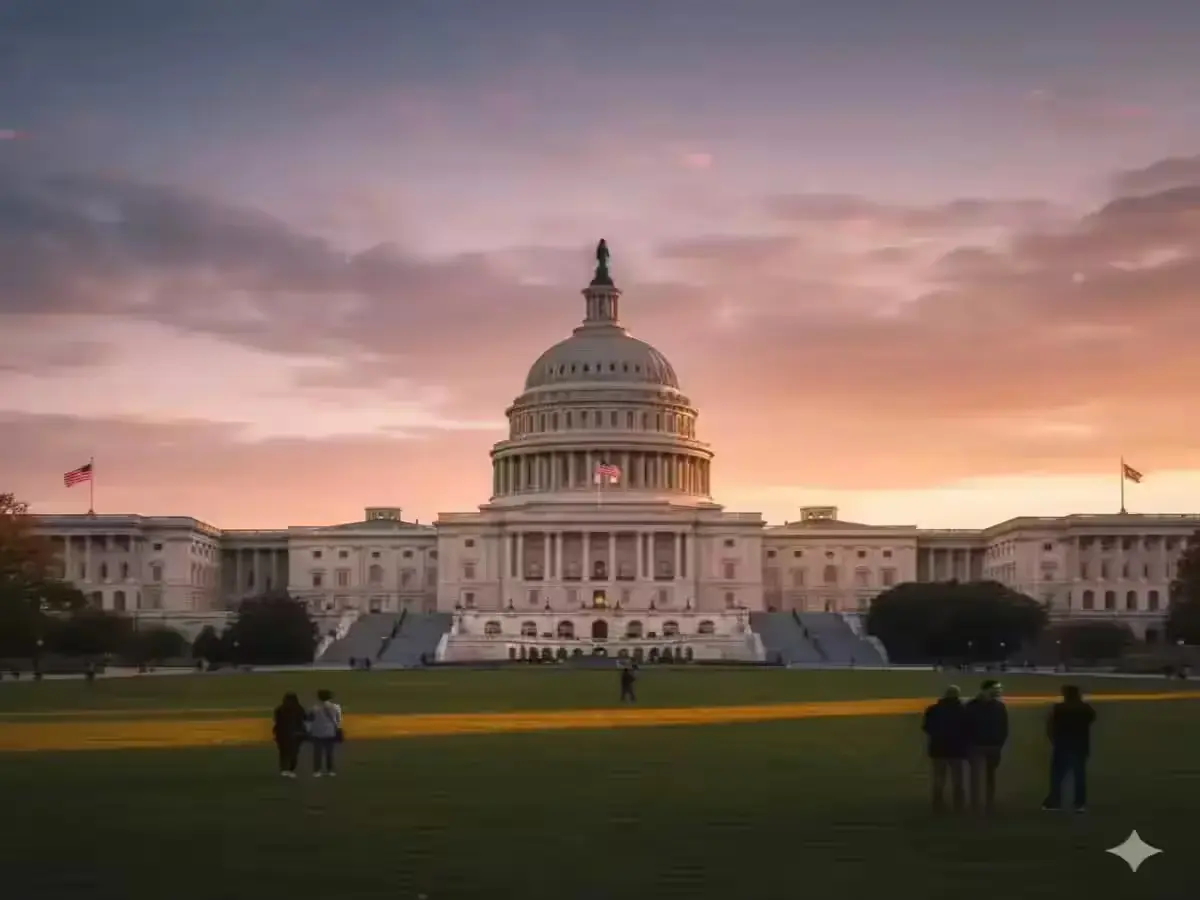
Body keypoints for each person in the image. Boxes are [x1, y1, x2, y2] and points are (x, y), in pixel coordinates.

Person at [1042, 685, 1096, 812]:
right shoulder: (1085, 708)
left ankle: (1055, 801)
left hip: (1062, 745)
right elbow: (1091, 718)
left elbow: (1050, 724)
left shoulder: (1059, 708)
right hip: (1080, 745)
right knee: (1079, 776)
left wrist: (1053, 739)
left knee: (1057, 775)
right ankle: (1079, 803)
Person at [922, 686, 970, 812]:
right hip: (957, 749)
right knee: (958, 778)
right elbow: (969, 729)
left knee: (939, 777)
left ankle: (937, 803)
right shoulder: (963, 710)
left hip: (938, 748)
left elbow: (927, 727)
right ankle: (959, 805)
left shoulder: (933, 709)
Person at [965, 679, 1008, 812]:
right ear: (986, 689)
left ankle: (987, 801)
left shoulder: (972, 705)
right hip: (978, 745)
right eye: (996, 688)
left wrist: (1000, 742)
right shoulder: (997, 706)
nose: (999, 691)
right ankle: (976, 802)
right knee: (978, 776)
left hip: (990, 745)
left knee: (987, 775)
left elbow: (1004, 727)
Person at [272, 692, 308, 777]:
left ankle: (284, 769)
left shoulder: (279, 709)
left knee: (283, 752)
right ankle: (291, 768)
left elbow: (277, 721)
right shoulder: (299, 708)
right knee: (294, 752)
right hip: (296, 733)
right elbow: (304, 719)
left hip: (282, 733)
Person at [308, 689, 343, 777]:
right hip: (330, 732)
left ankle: (317, 771)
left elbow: (310, 719)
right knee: (329, 752)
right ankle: (330, 770)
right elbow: (338, 720)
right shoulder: (336, 707)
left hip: (317, 732)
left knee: (317, 752)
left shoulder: (314, 708)